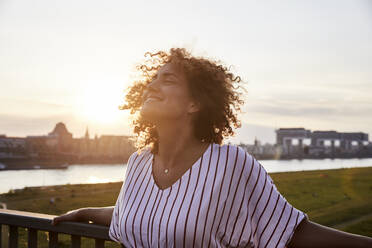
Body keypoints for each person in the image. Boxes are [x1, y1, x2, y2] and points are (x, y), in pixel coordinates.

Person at [52, 48, 372, 248]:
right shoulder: (137, 162)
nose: (151, 85)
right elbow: (141, 212)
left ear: (194, 103)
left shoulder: (231, 163)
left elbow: (289, 230)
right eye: (153, 79)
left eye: (168, 80)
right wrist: (89, 212)